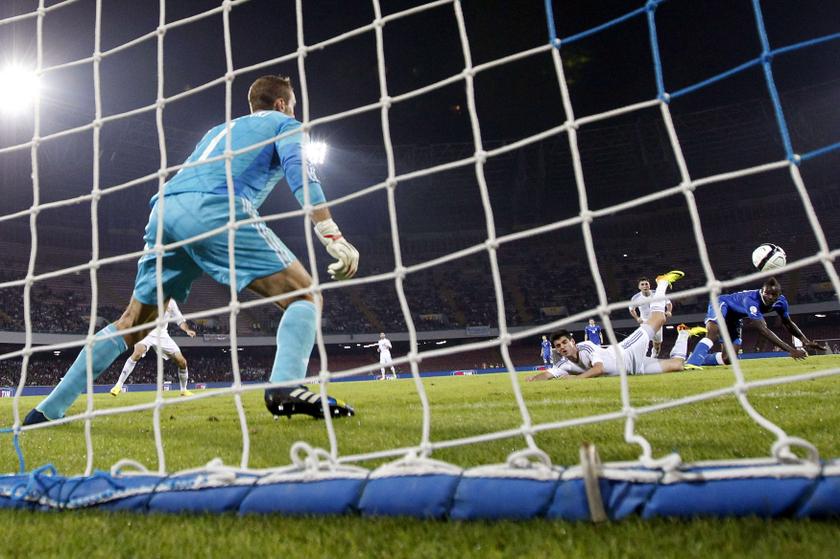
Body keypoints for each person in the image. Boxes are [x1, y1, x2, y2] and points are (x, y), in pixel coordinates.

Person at [24, 75, 359, 425]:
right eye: (291, 105)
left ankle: (47, 409)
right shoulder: (286, 123)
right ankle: (285, 386)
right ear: (280, 104)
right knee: (305, 296)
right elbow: (300, 171)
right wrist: (330, 232)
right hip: (215, 207)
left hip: (165, 209)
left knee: (131, 324)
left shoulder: (217, 130)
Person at [528, 271, 703, 380]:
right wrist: (532, 381)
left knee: (659, 318)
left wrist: (577, 379)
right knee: (678, 365)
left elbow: (599, 369)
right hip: (634, 369)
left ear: (572, 342)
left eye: (564, 343)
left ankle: (662, 282)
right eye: (558, 346)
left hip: (627, 350)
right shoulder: (564, 364)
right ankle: (683, 333)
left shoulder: (586, 347)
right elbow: (548, 374)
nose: (562, 347)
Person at [685, 277, 824, 367]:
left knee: (729, 359)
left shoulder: (781, 302)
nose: (769, 297)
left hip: (734, 318)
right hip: (721, 303)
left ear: (779, 295)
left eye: (773, 294)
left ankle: (699, 356)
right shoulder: (751, 301)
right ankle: (692, 362)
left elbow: (787, 323)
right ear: (762, 291)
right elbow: (762, 329)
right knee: (713, 332)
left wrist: (804, 340)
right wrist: (790, 350)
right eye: (766, 293)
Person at [109, 299, 196, 397]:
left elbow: (180, 320)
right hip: (145, 331)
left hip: (162, 334)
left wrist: (187, 330)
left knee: (182, 361)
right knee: (137, 353)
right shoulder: (148, 296)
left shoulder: (171, 302)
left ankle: (183, 390)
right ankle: (118, 386)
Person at [628, 277, 673, 358]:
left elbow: (669, 303)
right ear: (639, 287)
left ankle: (654, 356)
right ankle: (641, 359)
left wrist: (669, 311)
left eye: (646, 284)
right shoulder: (636, 298)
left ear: (649, 285)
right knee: (644, 341)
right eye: (642, 284)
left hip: (657, 321)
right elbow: (632, 310)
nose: (645, 286)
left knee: (657, 344)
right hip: (645, 322)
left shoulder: (657, 294)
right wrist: (637, 318)